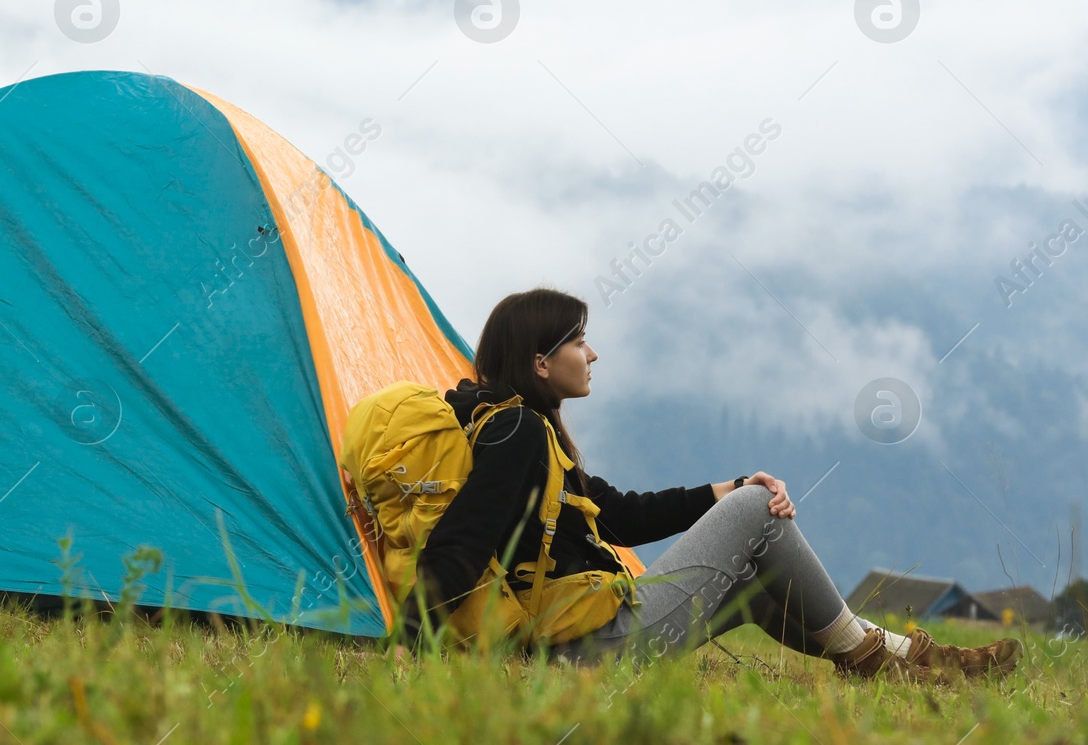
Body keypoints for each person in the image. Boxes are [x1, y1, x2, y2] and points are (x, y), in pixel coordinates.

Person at [399, 287, 1020, 680]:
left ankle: (899, 661)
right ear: (540, 362)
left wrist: (722, 488)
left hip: (583, 635)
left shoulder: (525, 429)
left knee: (753, 582)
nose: (592, 355)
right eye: (579, 341)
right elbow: (464, 539)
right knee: (760, 509)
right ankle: (883, 657)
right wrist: (407, 642)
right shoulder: (518, 433)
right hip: (584, 648)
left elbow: (613, 516)